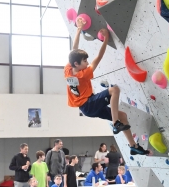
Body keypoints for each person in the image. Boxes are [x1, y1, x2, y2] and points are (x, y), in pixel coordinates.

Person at [64, 17, 150, 156]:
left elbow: (74, 49)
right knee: (114, 90)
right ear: (76, 64)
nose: (87, 63)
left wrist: (79, 29)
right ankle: (116, 123)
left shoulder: (68, 70)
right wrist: (105, 39)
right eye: (84, 61)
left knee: (123, 115)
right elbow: (99, 57)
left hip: (88, 106)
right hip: (88, 104)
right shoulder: (83, 74)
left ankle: (133, 146)